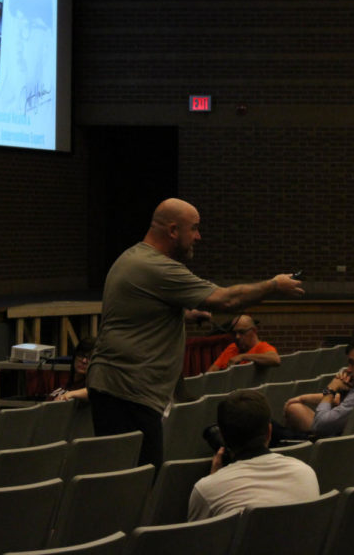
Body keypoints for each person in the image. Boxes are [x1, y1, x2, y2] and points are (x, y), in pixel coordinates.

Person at [86, 198, 304, 468]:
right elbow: (226, 300)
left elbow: (135, 312)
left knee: (135, 478)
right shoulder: (157, 267)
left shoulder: (132, 258)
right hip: (127, 392)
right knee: (134, 482)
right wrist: (274, 285)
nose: (199, 236)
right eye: (195, 228)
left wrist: (185, 314)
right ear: (174, 230)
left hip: (122, 389)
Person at [188, 390, 319, 520]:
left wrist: (213, 479)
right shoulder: (306, 472)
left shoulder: (206, 490)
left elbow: (199, 538)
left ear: (222, 436)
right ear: (269, 431)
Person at [283, 337, 354, 437]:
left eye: (353, 363)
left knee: (293, 410)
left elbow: (319, 425)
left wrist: (331, 389)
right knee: (296, 407)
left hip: (336, 447)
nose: (348, 369)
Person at [206, 314, 280, 372]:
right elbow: (211, 371)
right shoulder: (232, 347)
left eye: (242, 332)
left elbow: (275, 359)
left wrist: (242, 356)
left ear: (254, 331)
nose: (237, 337)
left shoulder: (262, 347)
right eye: (234, 333)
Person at [52, 336, 95, 401]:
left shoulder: (92, 386)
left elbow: (96, 392)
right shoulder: (65, 380)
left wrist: (70, 394)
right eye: (81, 355)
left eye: (89, 358)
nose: (84, 361)